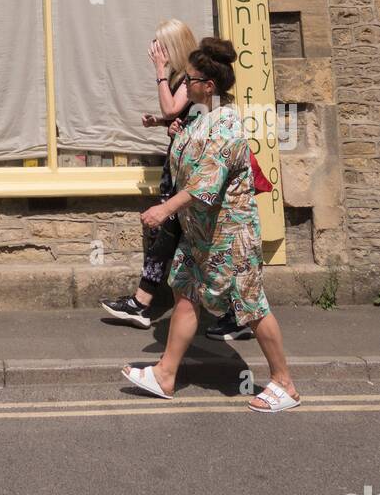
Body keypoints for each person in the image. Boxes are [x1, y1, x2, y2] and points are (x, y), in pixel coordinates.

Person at [121, 38, 301, 412]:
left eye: (190, 79)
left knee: (251, 307)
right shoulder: (204, 117)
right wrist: (171, 130)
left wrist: (164, 209)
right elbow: (189, 150)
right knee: (186, 293)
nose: (183, 85)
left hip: (231, 238)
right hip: (202, 236)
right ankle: (165, 374)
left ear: (209, 86)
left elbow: (206, 182)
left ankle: (285, 383)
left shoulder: (227, 125)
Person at [100, 19, 195, 331]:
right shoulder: (181, 76)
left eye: (160, 45)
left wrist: (158, 73)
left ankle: (142, 303)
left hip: (187, 171)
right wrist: (158, 122)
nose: (155, 51)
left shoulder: (188, 77)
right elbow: (176, 116)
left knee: (174, 235)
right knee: (174, 237)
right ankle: (141, 303)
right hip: (178, 165)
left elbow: (173, 110)